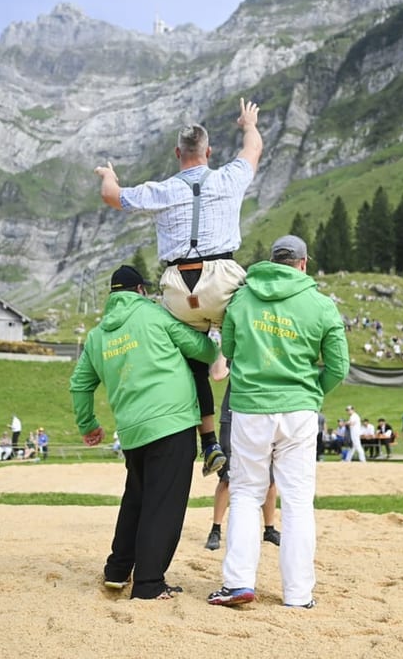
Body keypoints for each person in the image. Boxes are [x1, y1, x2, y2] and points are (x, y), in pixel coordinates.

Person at [95, 98, 264, 477]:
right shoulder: (228, 177)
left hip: (178, 288)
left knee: (193, 364)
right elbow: (253, 148)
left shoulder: (161, 190)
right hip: (221, 279)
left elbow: (112, 195)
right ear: (209, 151)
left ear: (177, 153)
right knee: (249, 315)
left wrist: (108, 174)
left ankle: (209, 442)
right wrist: (247, 123)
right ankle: (230, 359)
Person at [208, 235, 349, 607]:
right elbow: (338, 366)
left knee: (245, 494)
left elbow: (231, 351)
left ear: (272, 261)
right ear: (303, 263)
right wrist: (312, 392)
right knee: (299, 501)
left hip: (250, 407)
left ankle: (238, 583)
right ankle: (299, 594)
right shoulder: (320, 304)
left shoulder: (242, 299)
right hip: (299, 410)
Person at [70, 264, 218, 600]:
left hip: (133, 430)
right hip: (172, 422)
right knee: (163, 505)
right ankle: (150, 584)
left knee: (136, 499)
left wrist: (88, 424)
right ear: (140, 291)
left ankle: (118, 570)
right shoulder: (153, 315)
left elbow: (79, 385)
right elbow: (204, 352)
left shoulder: (96, 336)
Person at [205, 384, 281, 552]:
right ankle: (215, 529)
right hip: (233, 414)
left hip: (264, 414)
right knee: (227, 475)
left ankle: (269, 529)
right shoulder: (232, 356)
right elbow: (217, 375)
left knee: (269, 476)